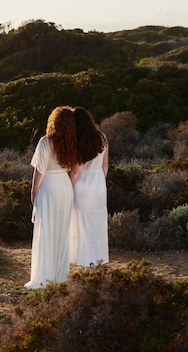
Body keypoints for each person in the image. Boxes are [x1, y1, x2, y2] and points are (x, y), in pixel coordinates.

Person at [25, 106, 79, 289]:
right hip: (65, 186)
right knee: (61, 233)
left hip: (49, 187)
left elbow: (39, 170)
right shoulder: (73, 143)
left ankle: (43, 277)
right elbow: (76, 170)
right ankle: (60, 276)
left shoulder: (46, 142)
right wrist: (67, 187)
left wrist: (33, 191)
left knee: (46, 232)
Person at [69, 107, 109, 267]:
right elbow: (105, 167)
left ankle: (84, 260)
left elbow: (76, 171)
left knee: (81, 224)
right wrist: (99, 181)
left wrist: (68, 188)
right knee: (97, 223)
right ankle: (97, 260)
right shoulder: (102, 138)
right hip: (99, 185)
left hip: (82, 185)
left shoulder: (78, 140)